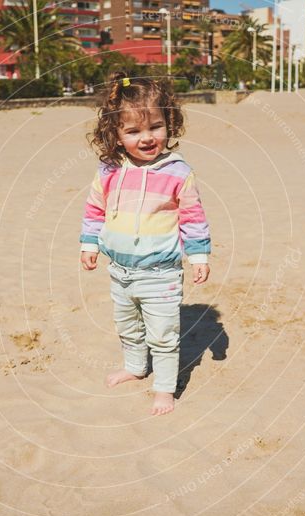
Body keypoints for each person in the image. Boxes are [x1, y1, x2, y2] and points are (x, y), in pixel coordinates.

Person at [79, 72, 211, 416]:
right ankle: (136, 366)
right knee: (127, 325)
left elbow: (192, 216)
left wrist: (198, 255)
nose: (147, 137)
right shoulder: (109, 169)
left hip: (161, 274)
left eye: (155, 126)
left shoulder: (178, 171)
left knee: (163, 335)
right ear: (116, 135)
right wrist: (90, 244)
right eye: (133, 131)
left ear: (170, 122)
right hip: (120, 271)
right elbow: (95, 208)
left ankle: (164, 389)